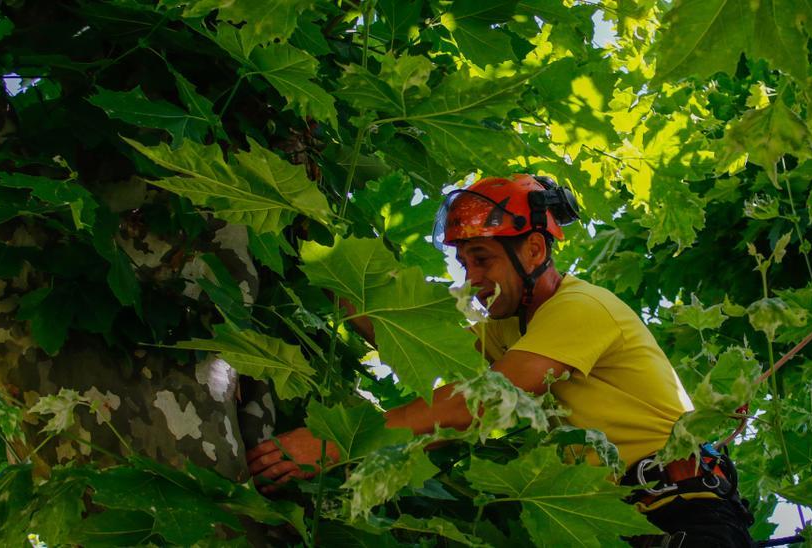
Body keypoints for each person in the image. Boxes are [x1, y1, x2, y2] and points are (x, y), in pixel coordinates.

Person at [246, 174, 753, 546]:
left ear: (534, 250)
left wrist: (339, 441)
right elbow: (423, 341)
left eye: (483, 259)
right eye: (464, 264)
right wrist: (321, 269)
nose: (472, 279)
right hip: (614, 521)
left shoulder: (581, 307)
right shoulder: (509, 327)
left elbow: (488, 399)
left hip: (685, 516)